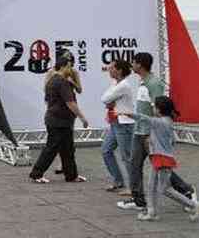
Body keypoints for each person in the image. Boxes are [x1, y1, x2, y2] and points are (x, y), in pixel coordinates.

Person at [118, 52, 197, 211]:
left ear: (140, 64)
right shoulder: (143, 82)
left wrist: (151, 135)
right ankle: (139, 200)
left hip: (148, 133)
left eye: (133, 62)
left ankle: (187, 191)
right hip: (140, 131)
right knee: (136, 165)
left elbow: (160, 110)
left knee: (160, 167)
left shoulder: (154, 83)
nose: (131, 65)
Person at [118, 97, 199, 221]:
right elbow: (173, 140)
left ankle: (194, 205)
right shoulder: (167, 121)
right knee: (151, 186)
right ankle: (152, 212)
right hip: (160, 157)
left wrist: (126, 113)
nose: (153, 108)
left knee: (165, 189)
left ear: (160, 109)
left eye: (154, 106)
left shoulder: (160, 122)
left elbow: (142, 118)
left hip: (162, 159)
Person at [29, 55, 90, 183]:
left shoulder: (54, 79)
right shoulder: (61, 82)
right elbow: (70, 102)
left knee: (67, 149)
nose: (71, 68)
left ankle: (71, 175)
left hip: (60, 120)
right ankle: (36, 174)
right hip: (58, 121)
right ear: (63, 66)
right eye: (69, 66)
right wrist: (83, 118)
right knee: (51, 148)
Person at [100, 60, 137, 194]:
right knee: (106, 150)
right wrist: (111, 101)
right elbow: (106, 98)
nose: (109, 70)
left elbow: (104, 99)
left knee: (126, 157)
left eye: (111, 68)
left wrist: (111, 102)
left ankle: (133, 187)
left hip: (124, 124)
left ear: (119, 70)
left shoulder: (123, 85)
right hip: (116, 123)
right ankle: (118, 180)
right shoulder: (116, 84)